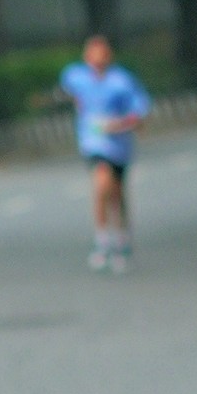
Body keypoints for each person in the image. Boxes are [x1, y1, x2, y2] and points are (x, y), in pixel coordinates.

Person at [59, 35, 151, 271]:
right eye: (93, 55)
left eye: (102, 55)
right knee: (102, 182)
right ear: (86, 57)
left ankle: (122, 236)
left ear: (109, 57)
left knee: (117, 191)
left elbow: (139, 109)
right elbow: (66, 90)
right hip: (93, 141)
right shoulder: (76, 76)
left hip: (119, 143)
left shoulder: (122, 81)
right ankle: (102, 238)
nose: (97, 61)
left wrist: (124, 123)